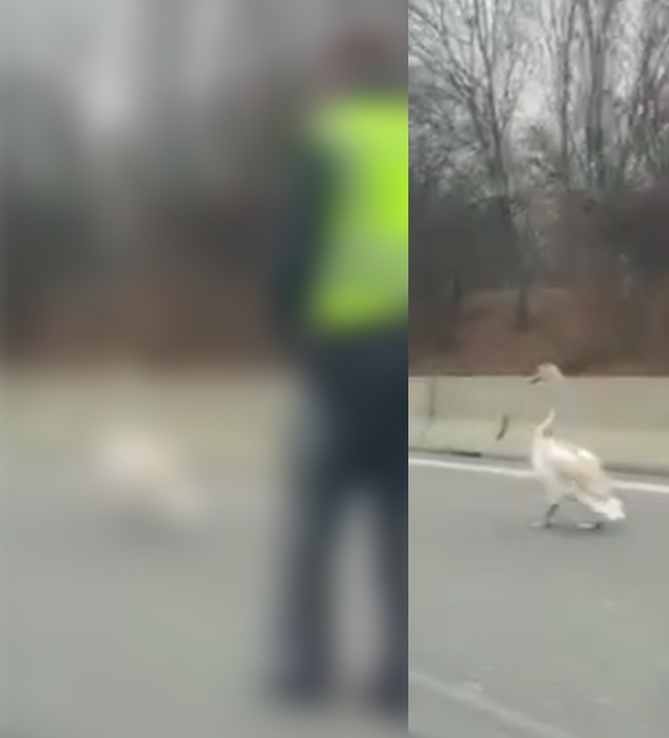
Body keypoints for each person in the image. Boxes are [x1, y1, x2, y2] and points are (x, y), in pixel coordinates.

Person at [265, 25, 409, 716]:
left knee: (318, 513)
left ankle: (305, 660)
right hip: (395, 347)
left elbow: (297, 253)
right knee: (390, 516)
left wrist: (291, 336)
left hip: (343, 351)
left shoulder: (330, 141)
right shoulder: (398, 142)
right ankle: (394, 669)